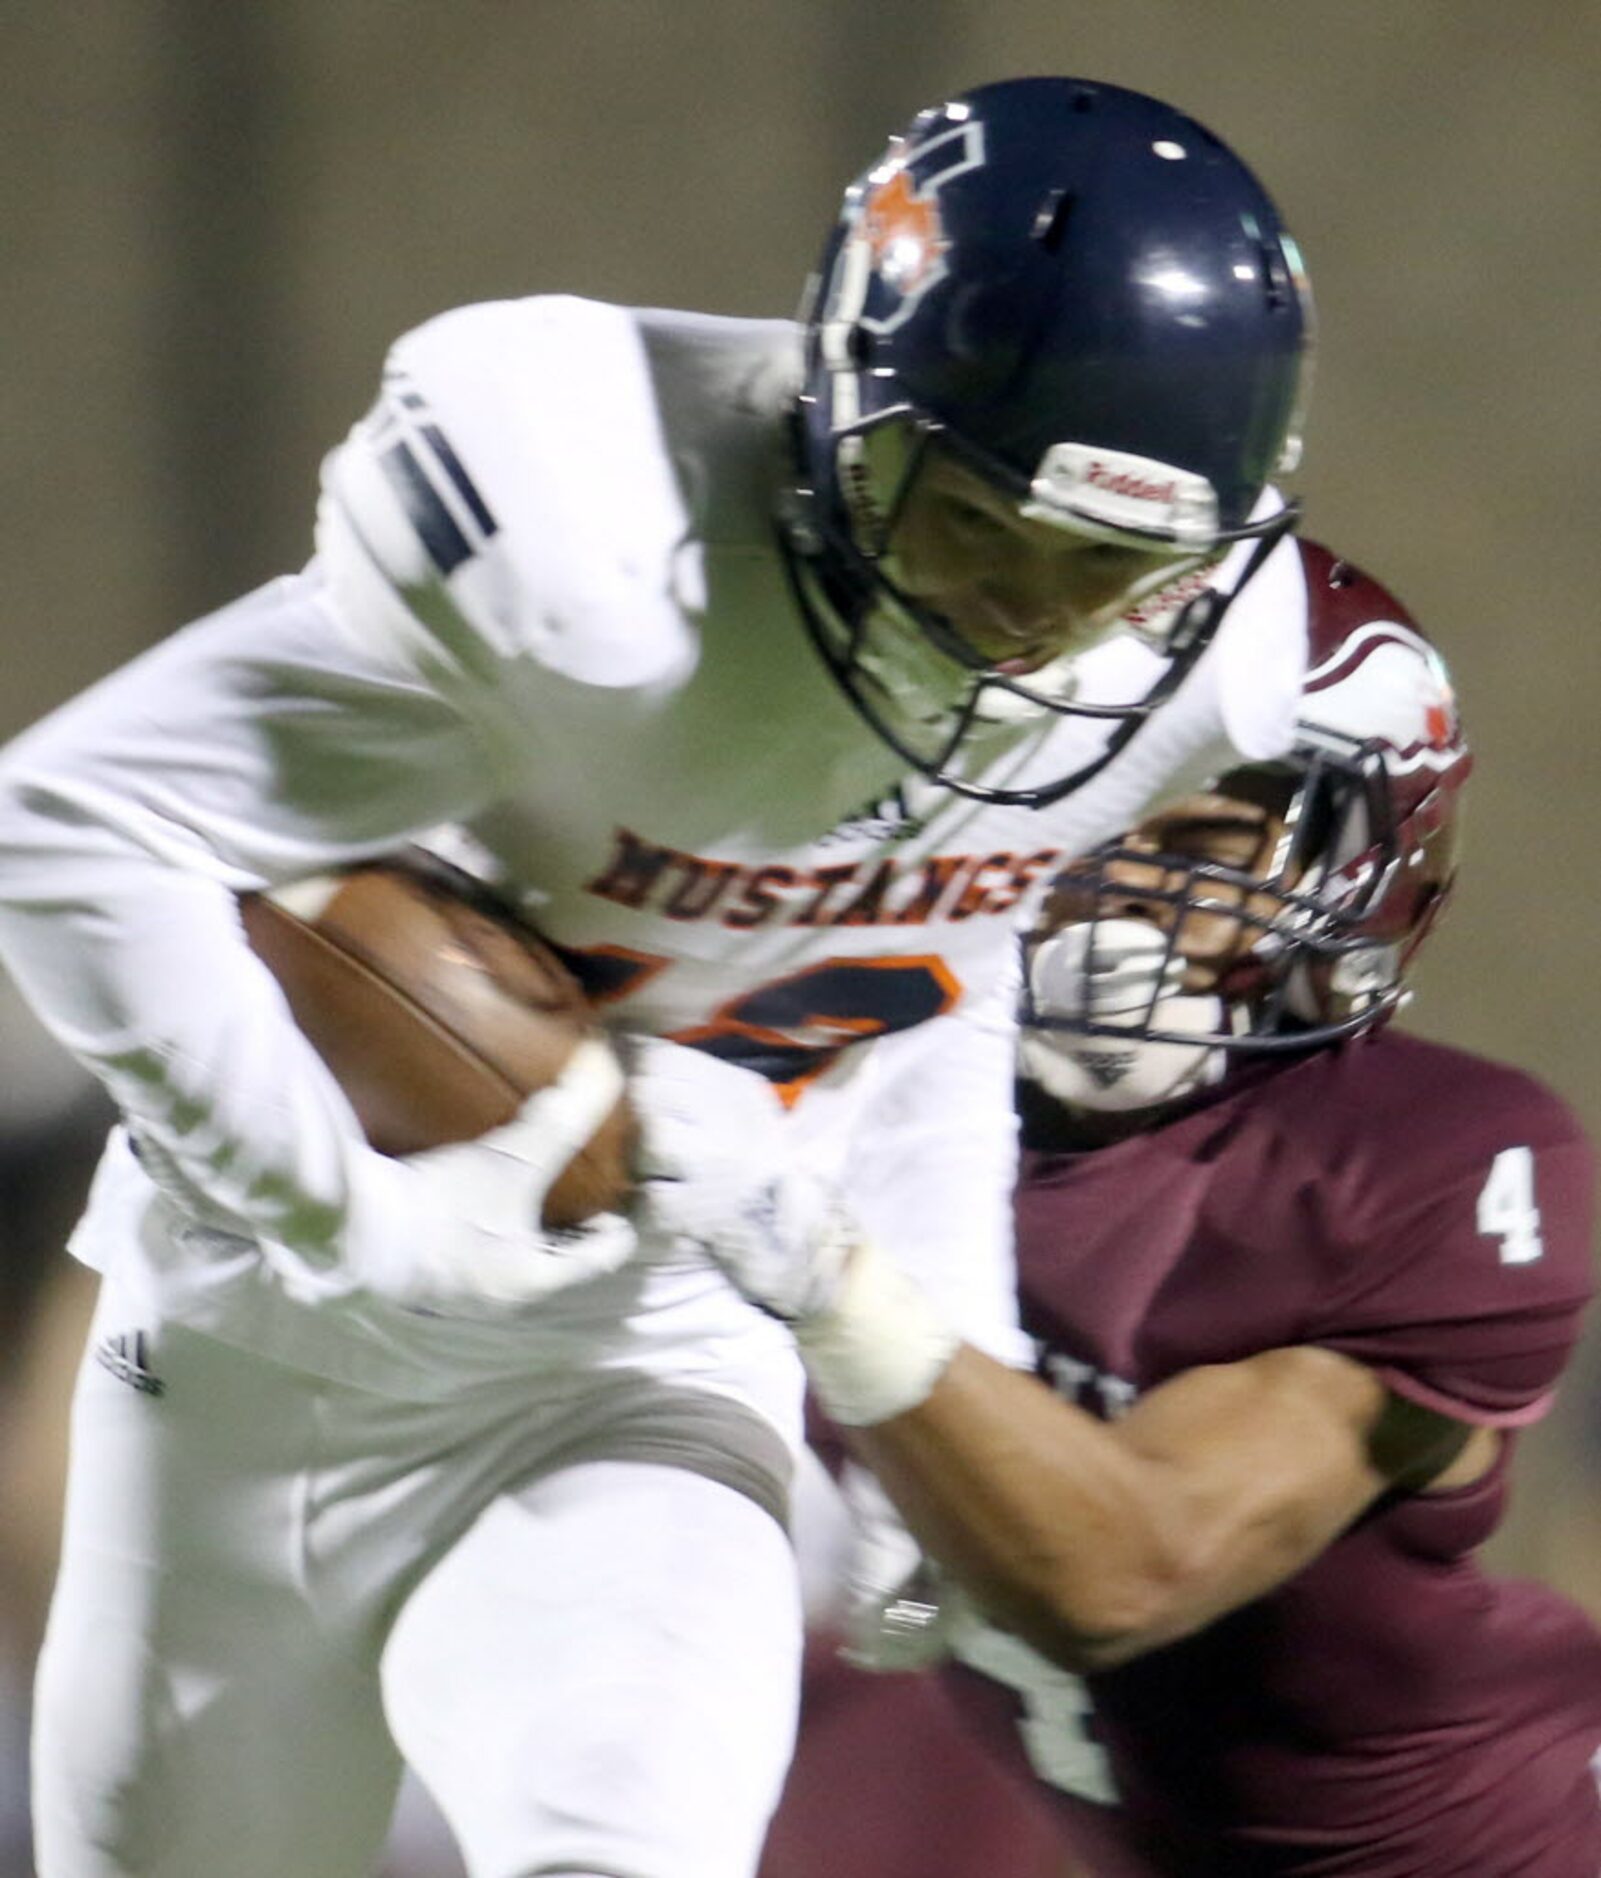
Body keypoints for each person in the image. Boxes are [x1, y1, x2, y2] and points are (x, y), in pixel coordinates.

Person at [0, 76, 1322, 1878]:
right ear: (847, 408)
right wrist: (347, 1216)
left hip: (639, 1344)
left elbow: (944, 942)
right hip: (260, 1352)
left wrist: (945, 1330)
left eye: (1099, 568)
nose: (1023, 614)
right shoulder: (595, 546)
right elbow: (69, 822)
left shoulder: (1188, 680)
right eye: (972, 526)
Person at [676, 561, 1601, 1876]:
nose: (1111, 890)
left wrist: (823, 1270)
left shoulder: (1414, 1158)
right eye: (1068, 821)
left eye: (1196, 846)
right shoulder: (861, 1097)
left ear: (1348, 878)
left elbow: (1120, 1568)